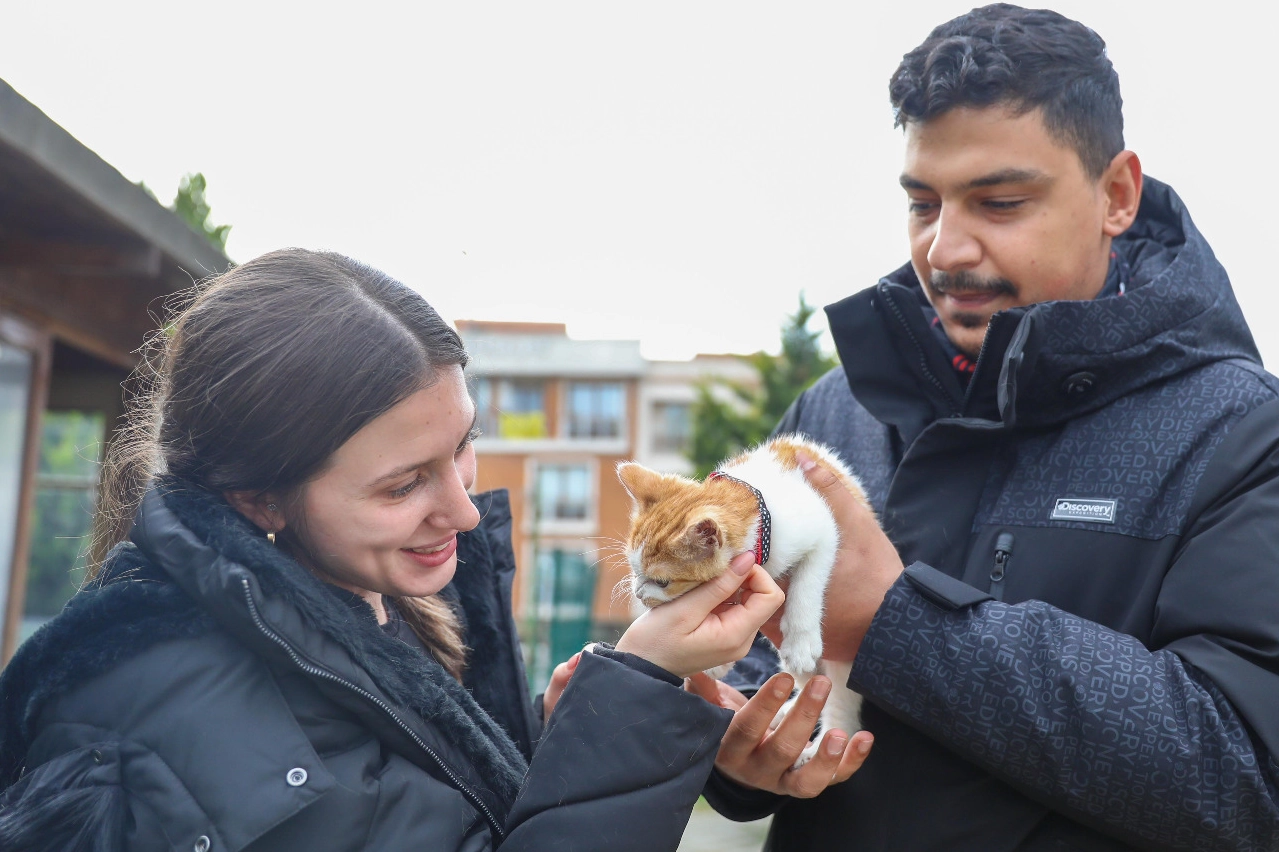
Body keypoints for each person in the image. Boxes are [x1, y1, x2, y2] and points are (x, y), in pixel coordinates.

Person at [696, 5, 1279, 850]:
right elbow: (749, 672)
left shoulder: (1244, 433)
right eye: (922, 204)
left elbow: (1245, 777)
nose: (944, 249)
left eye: (999, 202)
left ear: (1116, 194)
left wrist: (900, 625)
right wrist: (738, 758)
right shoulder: (831, 416)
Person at [0, 248, 785, 851]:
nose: (464, 512)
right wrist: (636, 688)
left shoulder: (367, 596)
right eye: (402, 484)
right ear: (258, 497)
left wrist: (567, 737)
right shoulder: (208, 725)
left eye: (463, 446)